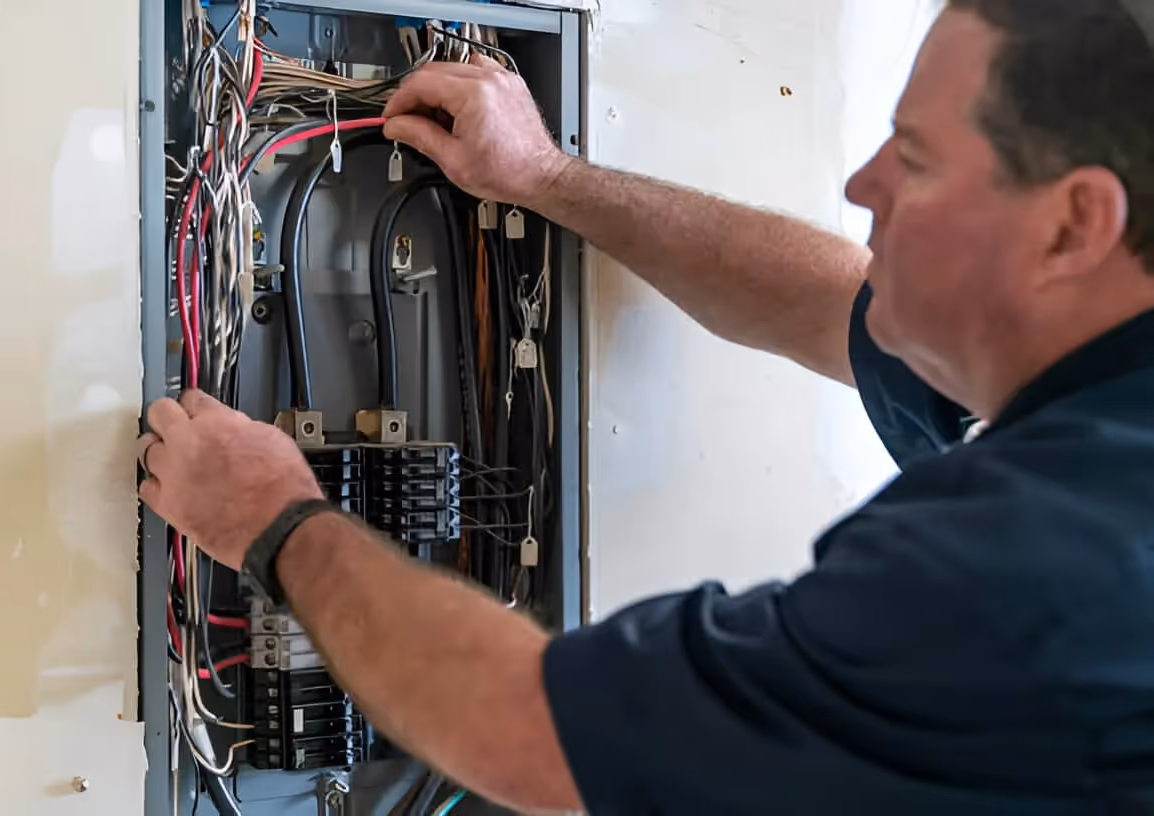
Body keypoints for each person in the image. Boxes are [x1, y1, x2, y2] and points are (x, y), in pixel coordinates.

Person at [138, 1, 1154, 813]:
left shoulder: (1039, 565)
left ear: (1073, 225)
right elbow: (834, 301)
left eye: (916, 158)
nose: (860, 180)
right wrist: (544, 177)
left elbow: (537, 739)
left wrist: (274, 521)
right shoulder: (1108, 395)